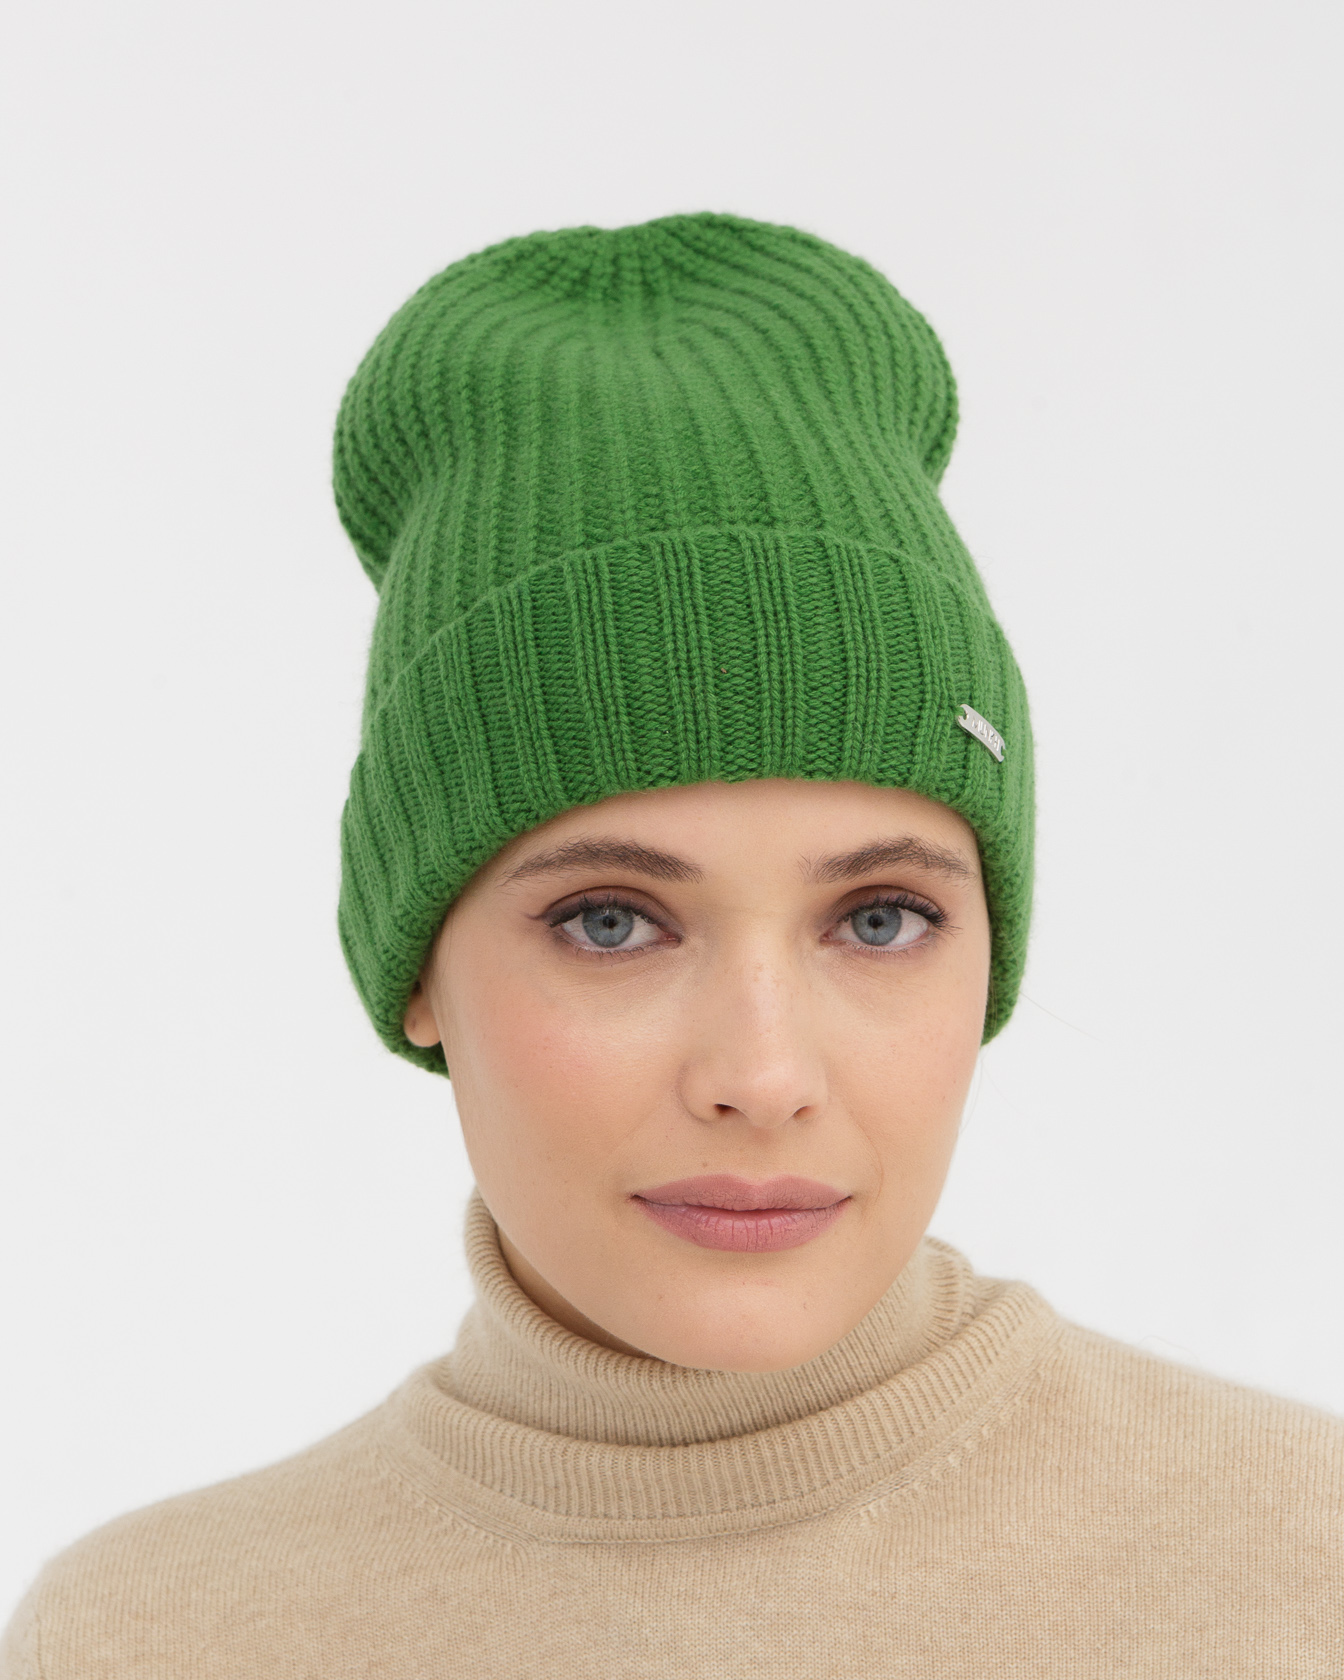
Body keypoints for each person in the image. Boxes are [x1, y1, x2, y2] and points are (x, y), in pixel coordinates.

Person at [3, 212, 1339, 1678]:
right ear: (418, 966)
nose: (761, 1077)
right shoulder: (149, 1638)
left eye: (880, 918)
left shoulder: (1301, 1569)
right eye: (612, 922)